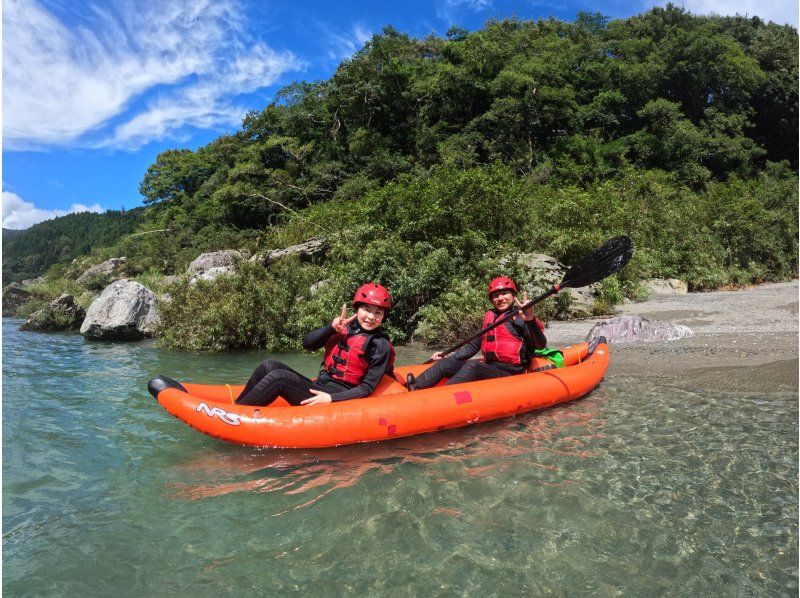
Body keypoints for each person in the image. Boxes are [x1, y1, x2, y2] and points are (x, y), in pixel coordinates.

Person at [235, 283, 395, 407]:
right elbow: (307, 344)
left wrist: (331, 398)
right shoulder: (343, 327)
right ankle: (237, 406)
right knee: (268, 366)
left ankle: (237, 415)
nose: (371, 317)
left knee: (279, 379)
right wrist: (330, 328)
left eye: (378, 312)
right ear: (357, 309)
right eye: (367, 309)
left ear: (383, 317)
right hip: (320, 385)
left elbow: (367, 388)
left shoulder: (380, 345)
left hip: (339, 395)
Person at [406, 276, 547, 390]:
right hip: (490, 368)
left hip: (511, 372)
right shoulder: (491, 318)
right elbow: (473, 347)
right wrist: (448, 356)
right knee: (446, 363)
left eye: (504, 293)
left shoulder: (521, 318)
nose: (500, 298)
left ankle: (442, 398)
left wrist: (531, 320)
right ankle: (413, 388)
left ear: (513, 295)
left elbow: (540, 344)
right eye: (496, 296)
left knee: (472, 365)